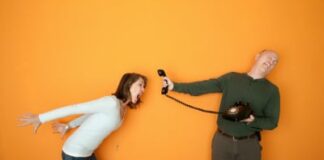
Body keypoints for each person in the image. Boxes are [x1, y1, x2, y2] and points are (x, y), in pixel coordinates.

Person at [161, 50, 280, 160]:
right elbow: (204, 87)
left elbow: (272, 122)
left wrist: (253, 121)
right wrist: (174, 86)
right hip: (222, 142)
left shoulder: (272, 90)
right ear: (257, 57)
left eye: (275, 62)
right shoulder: (232, 78)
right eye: (269, 57)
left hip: (249, 144)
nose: (271, 62)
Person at [18, 73, 147, 160]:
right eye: (140, 85)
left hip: (88, 154)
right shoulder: (111, 103)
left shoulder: (123, 109)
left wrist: (69, 125)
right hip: (73, 154)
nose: (143, 90)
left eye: (144, 86)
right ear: (128, 85)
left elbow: (90, 115)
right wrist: (41, 118)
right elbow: (75, 108)